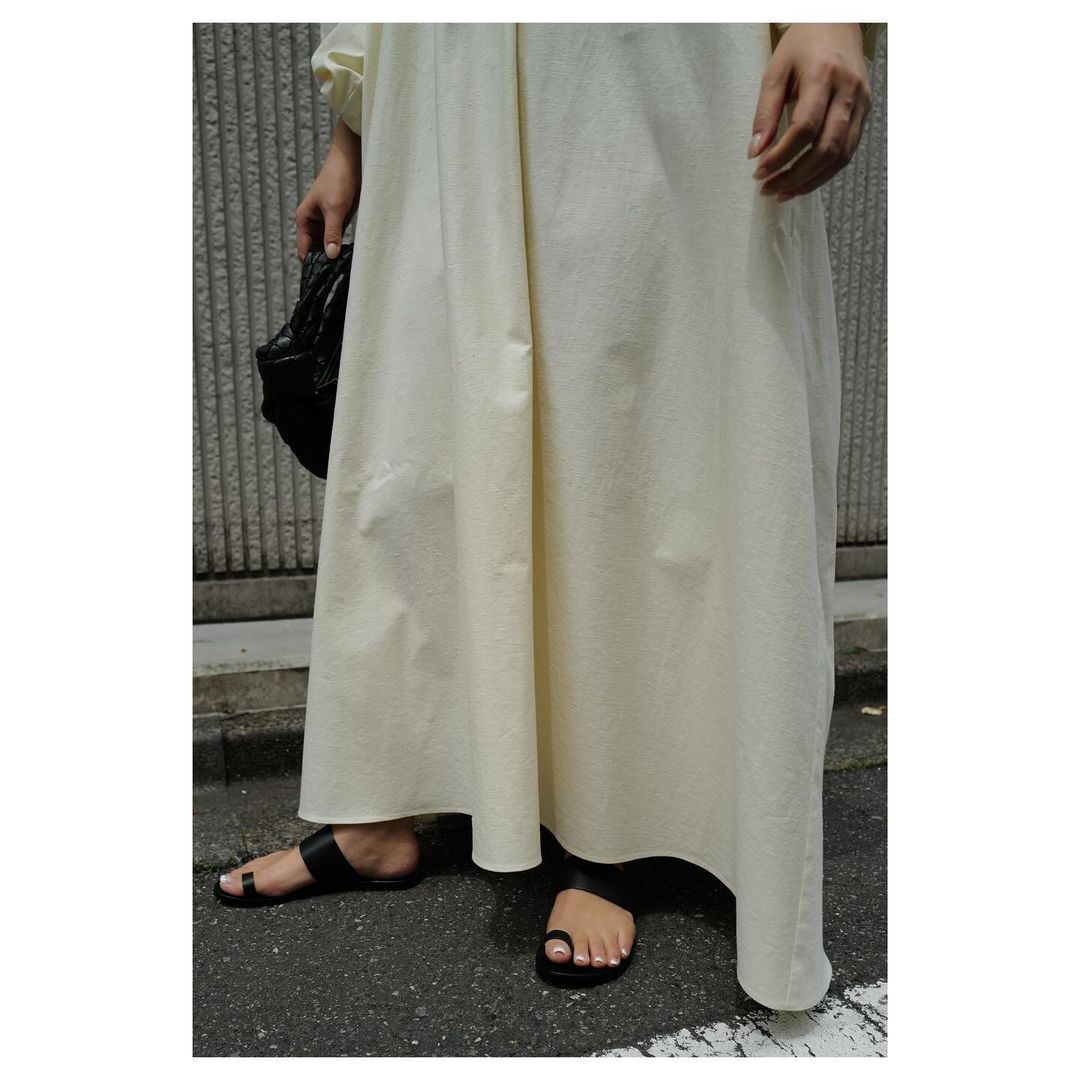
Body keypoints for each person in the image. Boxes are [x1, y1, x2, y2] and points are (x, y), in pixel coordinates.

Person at [215, 21, 882, 1010]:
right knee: (423, 452)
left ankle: (606, 831)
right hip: (441, 74)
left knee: (624, 430)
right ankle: (382, 801)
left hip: (639, 53)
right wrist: (351, 138)